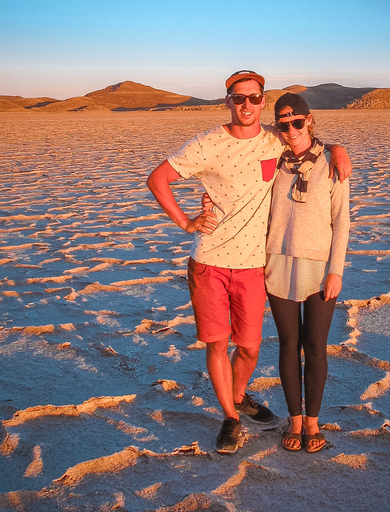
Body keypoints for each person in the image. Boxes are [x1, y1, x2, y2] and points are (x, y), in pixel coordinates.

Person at [147, 71, 351, 454]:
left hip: (256, 264)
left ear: (262, 101)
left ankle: (242, 395)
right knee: (221, 342)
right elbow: (157, 178)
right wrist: (187, 221)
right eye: (238, 97)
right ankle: (231, 417)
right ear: (227, 100)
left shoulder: (276, 142)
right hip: (214, 260)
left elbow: (311, 146)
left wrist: (338, 148)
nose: (246, 104)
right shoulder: (210, 143)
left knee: (252, 346)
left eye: (254, 98)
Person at [266, 93, 350, 453]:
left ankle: (313, 421)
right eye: (283, 124)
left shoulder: (332, 163)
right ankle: (295, 419)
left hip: (319, 267)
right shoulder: (270, 159)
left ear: (309, 119)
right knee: (288, 344)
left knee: (315, 345)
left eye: (296, 122)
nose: (290, 130)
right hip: (278, 262)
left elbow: (341, 222)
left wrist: (336, 271)